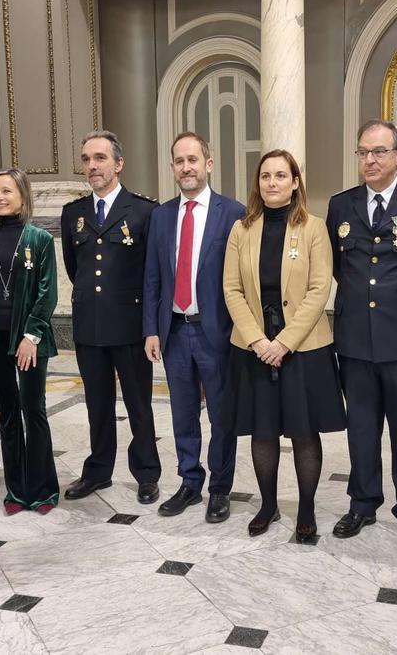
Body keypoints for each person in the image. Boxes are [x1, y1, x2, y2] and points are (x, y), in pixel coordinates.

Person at [326, 120, 397, 550]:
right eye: (363, 152)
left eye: (379, 152)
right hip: (355, 337)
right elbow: (342, 269)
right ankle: (362, 503)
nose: (370, 160)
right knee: (361, 429)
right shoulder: (341, 206)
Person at [223, 150, 345, 542]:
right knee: (263, 431)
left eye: (280, 175)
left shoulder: (313, 227)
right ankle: (268, 504)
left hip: (303, 347)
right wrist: (259, 340)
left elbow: (318, 289)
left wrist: (285, 342)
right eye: (265, 176)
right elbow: (232, 288)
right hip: (254, 346)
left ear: (295, 182)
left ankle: (306, 510)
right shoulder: (242, 229)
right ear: (257, 183)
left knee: (303, 432)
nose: (272, 182)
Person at [144, 133, 245, 521]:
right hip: (173, 332)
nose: (186, 167)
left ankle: (220, 488)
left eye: (193, 159)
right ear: (172, 167)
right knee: (182, 414)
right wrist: (151, 329)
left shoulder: (232, 213)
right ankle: (189, 482)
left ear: (209, 163)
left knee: (222, 416)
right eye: (178, 161)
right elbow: (152, 277)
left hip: (215, 331)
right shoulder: (161, 215)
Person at [60, 131, 162, 504]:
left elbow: (153, 274)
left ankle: (147, 473)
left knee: (139, 404)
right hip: (90, 326)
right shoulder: (74, 213)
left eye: (100, 158)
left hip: (131, 325)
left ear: (118, 164)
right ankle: (98, 471)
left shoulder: (144, 211)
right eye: (87, 159)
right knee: (96, 404)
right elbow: (76, 268)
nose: (92, 166)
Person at [0, 168, 60, 516]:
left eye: (7, 191)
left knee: (33, 410)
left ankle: (44, 489)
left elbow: (47, 294)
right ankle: (16, 489)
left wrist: (31, 337)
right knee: (7, 413)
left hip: (29, 339)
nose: (0, 197)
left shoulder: (40, 240)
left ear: (22, 195)